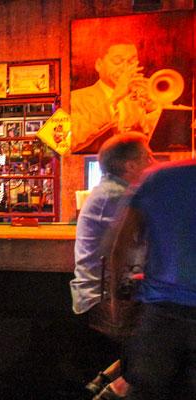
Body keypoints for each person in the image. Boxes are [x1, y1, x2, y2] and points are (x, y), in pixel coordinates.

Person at [69, 133, 154, 399]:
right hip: (106, 299)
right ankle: (118, 384)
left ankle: (111, 378)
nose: (153, 162)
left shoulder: (114, 192)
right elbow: (149, 243)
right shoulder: (117, 196)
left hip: (113, 292)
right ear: (131, 165)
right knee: (177, 323)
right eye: (149, 156)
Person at [109, 159, 195, 400]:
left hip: (161, 313)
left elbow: (121, 245)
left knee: (146, 390)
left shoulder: (157, 177)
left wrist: (115, 297)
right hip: (162, 311)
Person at [71, 43, 161, 152]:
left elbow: (157, 144)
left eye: (132, 62)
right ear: (99, 65)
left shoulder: (141, 97)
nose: (125, 68)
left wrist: (153, 110)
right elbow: (62, 141)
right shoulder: (75, 98)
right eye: (117, 61)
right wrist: (114, 99)